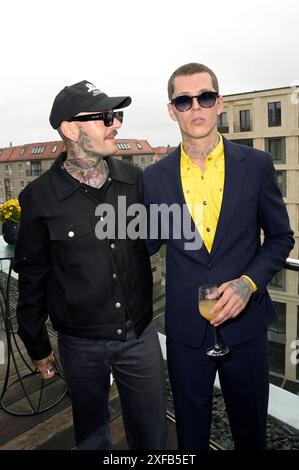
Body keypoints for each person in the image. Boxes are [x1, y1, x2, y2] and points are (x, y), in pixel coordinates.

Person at [143, 63, 294, 450]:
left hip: (245, 329)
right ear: (171, 109)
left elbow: (280, 238)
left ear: (219, 103)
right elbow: (143, 244)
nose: (196, 107)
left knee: (250, 435)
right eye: (184, 100)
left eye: (205, 97)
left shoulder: (256, 165)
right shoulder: (154, 178)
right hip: (185, 333)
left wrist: (248, 283)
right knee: (190, 437)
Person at [14, 80, 166, 450]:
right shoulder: (38, 198)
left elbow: (152, 240)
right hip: (79, 344)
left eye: (117, 115)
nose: (116, 124)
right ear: (70, 129)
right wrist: (37, 345)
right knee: (93, 435)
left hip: (140, 336)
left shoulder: (135, 180)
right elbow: (33, 277)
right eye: (105, 117)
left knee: (152, 435)